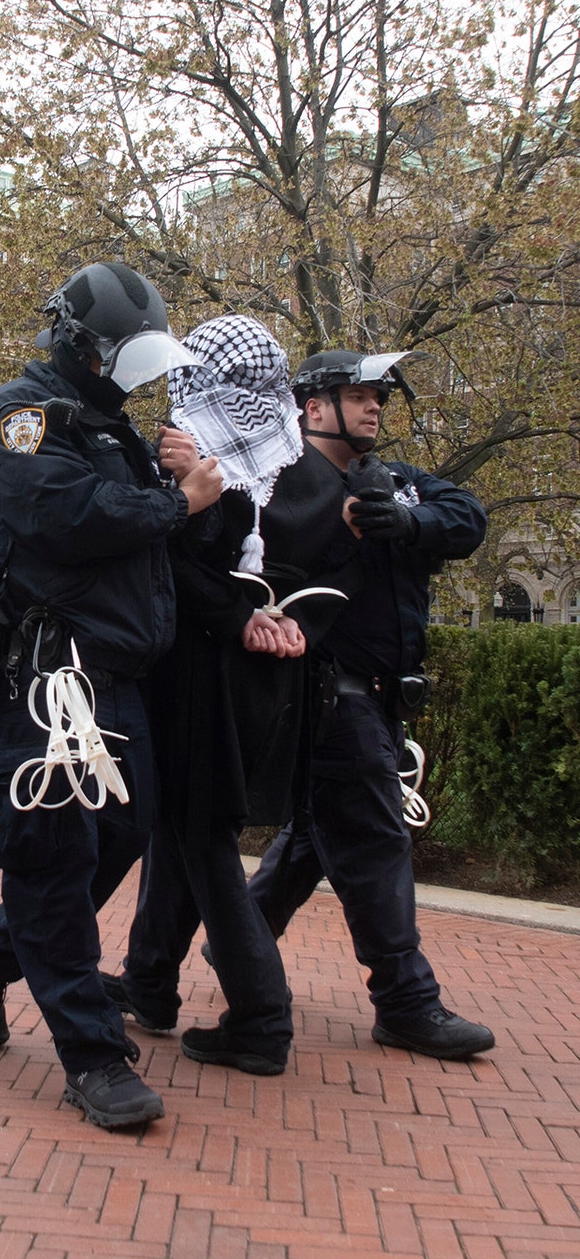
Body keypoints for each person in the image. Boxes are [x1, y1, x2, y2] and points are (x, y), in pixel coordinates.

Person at [0, 260, 221, 1131]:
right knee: (51, 859)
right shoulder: (20, 417)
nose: (128, 376)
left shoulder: (112, 426)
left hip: (109, 677)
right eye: (118, 357)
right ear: (74, 343)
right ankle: (93, 1057)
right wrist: (175, 501)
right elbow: (65, 518)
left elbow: (136, 535)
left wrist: (176, 478)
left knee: (125, 831)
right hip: (37, 676)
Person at [246, 349, 495, 1060]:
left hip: (384, 700)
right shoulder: (288, 484)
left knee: (311, 844)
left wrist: (407, 524)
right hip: (332, 698)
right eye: (357, 393)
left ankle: (241, 942)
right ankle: (407, 1001)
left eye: (378, 395)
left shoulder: (401, 482)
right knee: (376, 841)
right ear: (313, 406)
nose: (374, 405)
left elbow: (467, 516)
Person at [104, 315, 321, 1076]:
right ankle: (150, 982)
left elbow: (182, 569)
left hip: (202, 675)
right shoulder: (297, 456)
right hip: (250, 672)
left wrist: (238, 609)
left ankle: (262, 1018)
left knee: (202, 842)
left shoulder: (200, 449)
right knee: (182, 832)